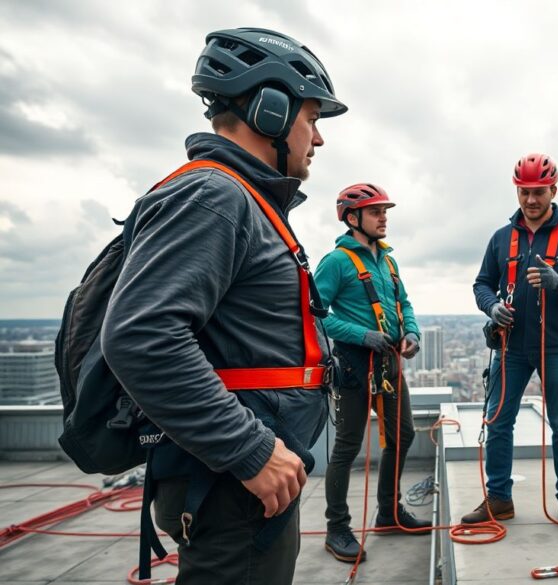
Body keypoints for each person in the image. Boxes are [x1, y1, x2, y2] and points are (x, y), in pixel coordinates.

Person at [101, 28, 347, 584]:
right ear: (270, 110)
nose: (319, 138)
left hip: (239, 482)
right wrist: (251, 451)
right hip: (233, 486)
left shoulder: (241, 199)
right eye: (313, 117)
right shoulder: (215, 196)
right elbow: (141, 335)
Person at [461, 153, 558, 535]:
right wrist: (492, 307)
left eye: (538, 192)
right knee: (497, 422)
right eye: (524, 192)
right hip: (510, 347)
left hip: (556, 347)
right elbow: (482, 284)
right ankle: (499, 498)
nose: (530, 200)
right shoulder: (501, 238)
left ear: (553, 191)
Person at [315, 183, 431, 563]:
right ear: (353, 218)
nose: (384, 218)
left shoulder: (388, 260)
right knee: (347, 446)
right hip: (354, 362)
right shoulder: (336, 262)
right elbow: (314, 315)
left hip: (389, 362)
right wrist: (361, 334)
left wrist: (410, 331)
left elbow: (403, 301)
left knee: (403, 433)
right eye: (376, 211)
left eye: (385, 211)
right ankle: (337, 527)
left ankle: (389, 511)